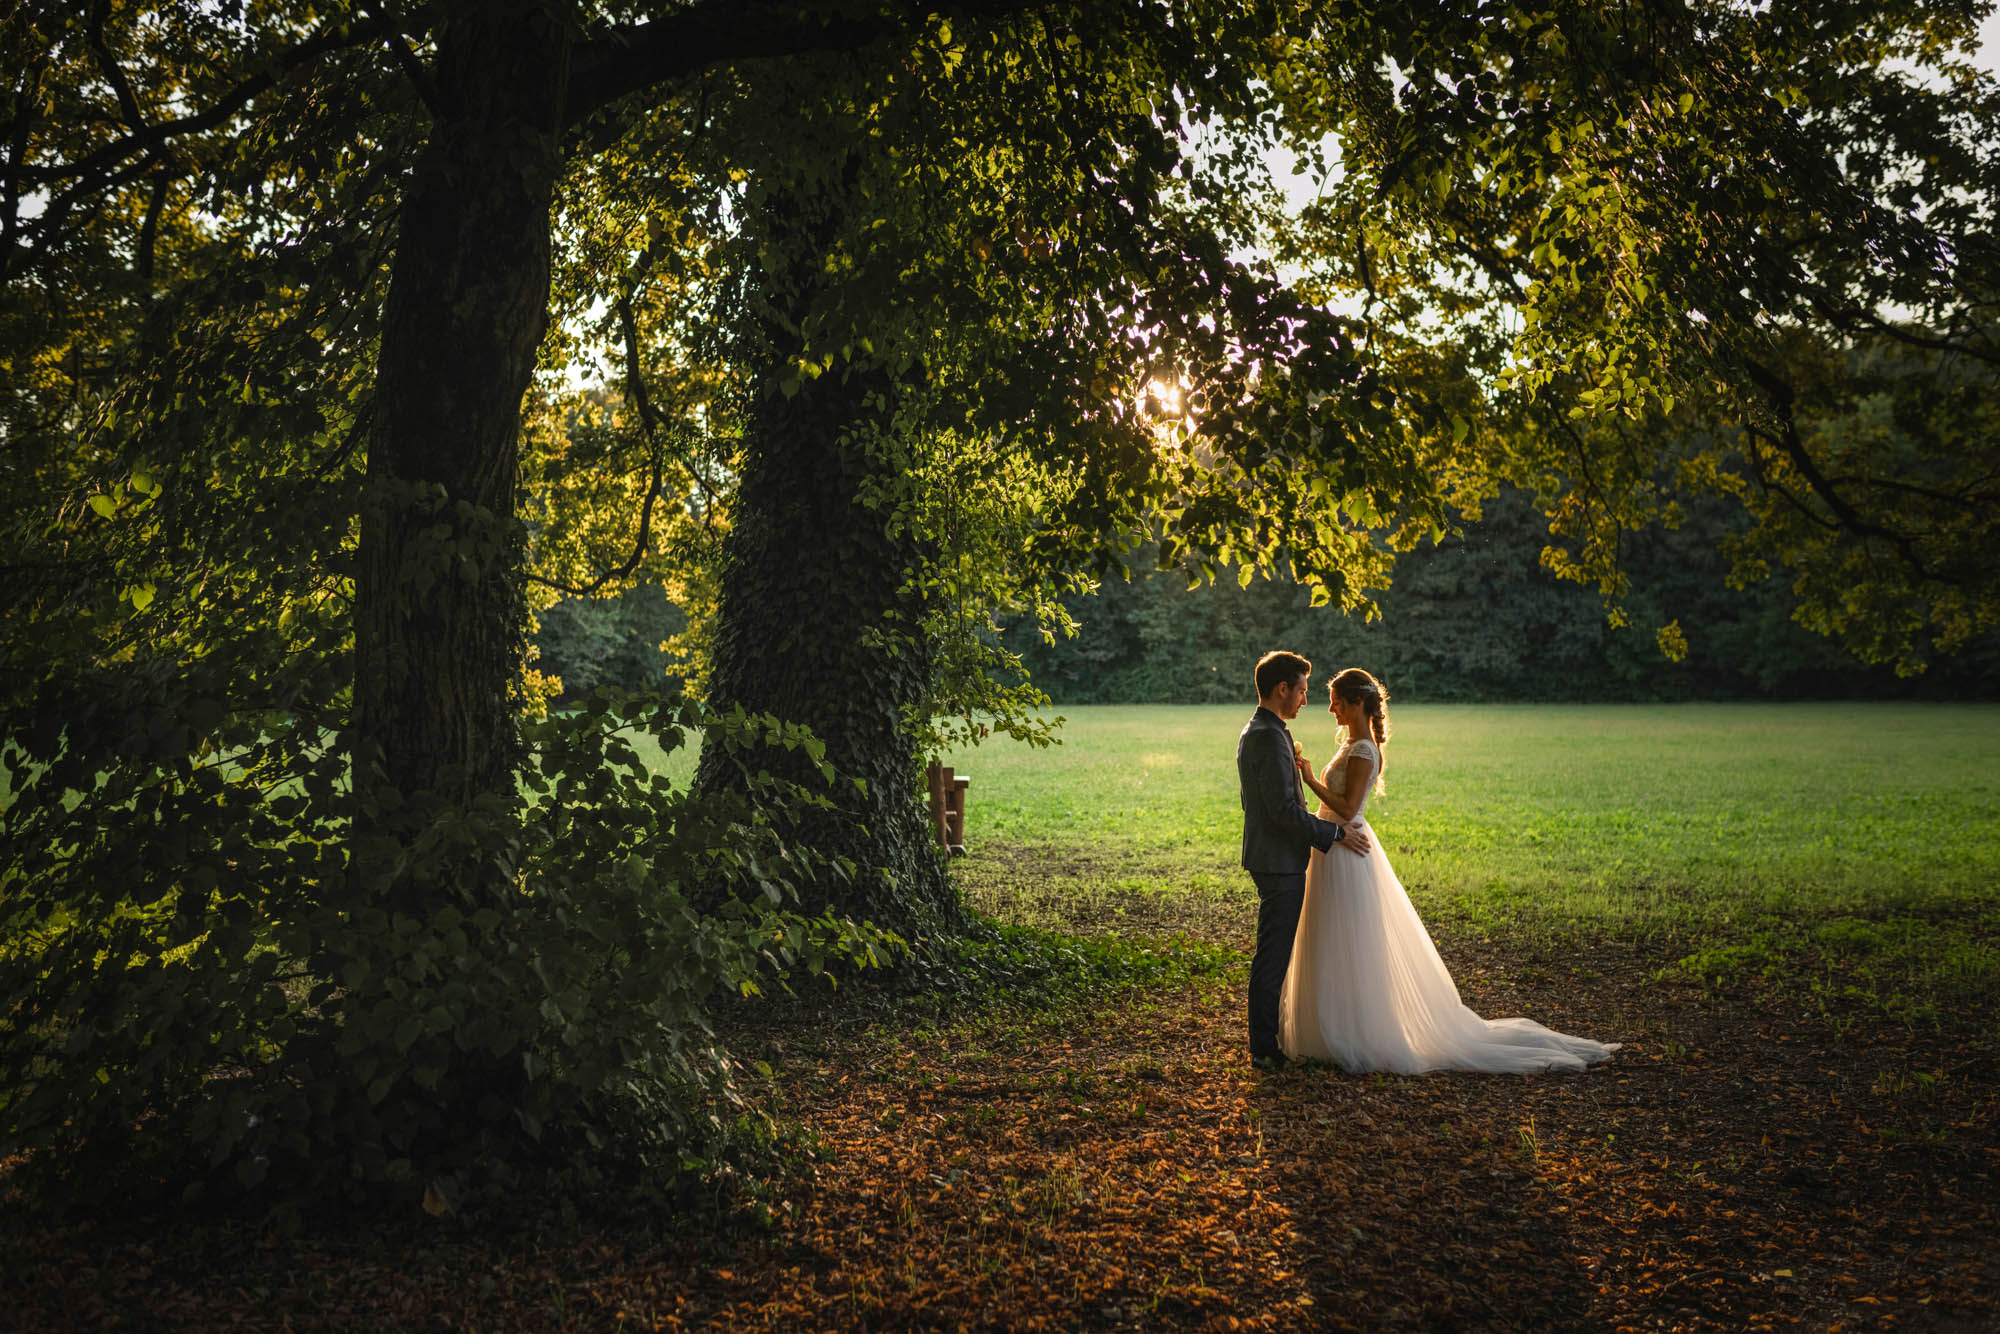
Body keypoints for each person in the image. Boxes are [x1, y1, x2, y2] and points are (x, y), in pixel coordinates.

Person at [1281, 668, 1620, 1073]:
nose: (1331, 707)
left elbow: (1349, 808)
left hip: (1346, 842)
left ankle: (1355, 1031)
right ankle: (1330, 1026)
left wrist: (1307, 778)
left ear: (1356, 702)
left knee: (1348, 938)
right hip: (1335, 843)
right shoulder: (1353, 742)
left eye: (1336, 700)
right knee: (1332, 935)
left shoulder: (1364, 750)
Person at [1237, 651, 1372, 1072]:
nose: (1305, 700)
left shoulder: (1266, 731)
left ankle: (1267, 1041)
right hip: (1278, 862)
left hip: (1276, 856)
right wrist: (1333, 833)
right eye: (1301, 691)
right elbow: (1281, 809)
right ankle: (1263, 1049)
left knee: (1275, 952)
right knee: (1273, 955)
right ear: (1282, 690)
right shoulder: (1266, 735)